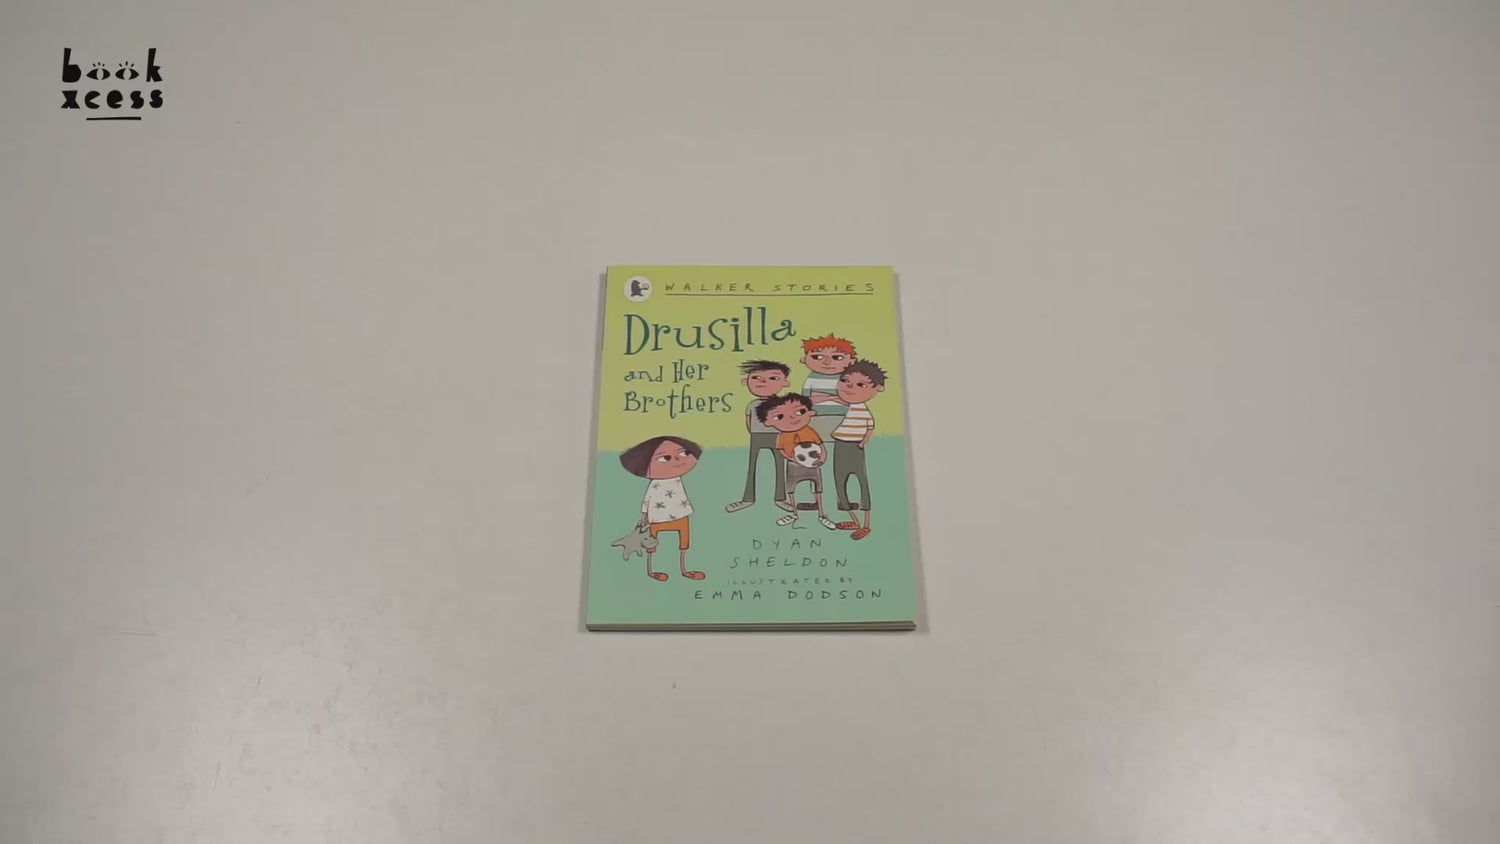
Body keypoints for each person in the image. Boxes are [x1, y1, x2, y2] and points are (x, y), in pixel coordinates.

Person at [813, 360, 886, 540]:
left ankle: (866, 524)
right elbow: (816, 399)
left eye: (861, 385)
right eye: (845, 381)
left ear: (878, 388)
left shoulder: (864, 411)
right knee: (840, 482)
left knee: (861, 481)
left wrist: (863, 443)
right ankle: (853, 520)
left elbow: (870, 429)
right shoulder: (845, 405)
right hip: (840, 445)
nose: (850, 388)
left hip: (855, 447)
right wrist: (829, 399)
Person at [619, 435, 704, 581]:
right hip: (657, 516)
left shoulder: (677, 479)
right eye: (665, 458)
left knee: (684, 541)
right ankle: (651, 570)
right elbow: (647, 500)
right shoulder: (656, 484)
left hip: (681, 513)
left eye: (684, 453)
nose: (677, 461)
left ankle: (684, 569)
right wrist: (644, 517)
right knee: (652, 543)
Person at [756, 393, 837, 530]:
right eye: (779, 417)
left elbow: (820, 445)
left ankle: (821, 514)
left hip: (813, 464)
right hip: (793, 465)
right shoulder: (783, 436)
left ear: (810, 412)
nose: (792, 418)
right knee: (792, 489)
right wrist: (793, 458)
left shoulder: (809, 431)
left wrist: (822, 457)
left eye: (800, 412)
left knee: (817, 487)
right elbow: (781, 450)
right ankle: (794, 513)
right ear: (768, 423)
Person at [726, 360, 792, 513]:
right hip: (757, 436)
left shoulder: (782, 404)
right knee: (753, 466)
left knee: (780, 466)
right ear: (746, 381)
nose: (763, 382)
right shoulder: (752, 404)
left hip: (778, 436)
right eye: (756, 377)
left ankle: (780, 498)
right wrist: (754, 432)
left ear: (785, 383)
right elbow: (748, 419)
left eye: (773, 378)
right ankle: (748, 498)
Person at [798, 334, 857, 439]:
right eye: (817, 357)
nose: (827, 362)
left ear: (851, 361)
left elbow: (851, 400)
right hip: (816, 417)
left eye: (837, 357)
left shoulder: (848, 378)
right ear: (804, 359)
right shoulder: (812, 379)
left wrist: (822, 397)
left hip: (844, 417)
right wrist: (833, 398)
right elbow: (807, 401)